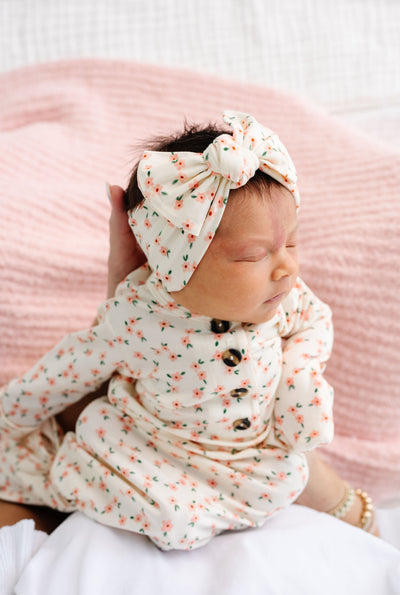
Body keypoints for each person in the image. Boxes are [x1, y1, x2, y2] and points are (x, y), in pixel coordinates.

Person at [0, 111, 377, 549]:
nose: (287, 267)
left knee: (290, 473)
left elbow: (315, 323)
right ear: (176, 262)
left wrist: (300, 376)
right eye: (253, 256)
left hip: (253, 461)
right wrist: (10, 417)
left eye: (291, 242)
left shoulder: (286, 301)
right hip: (159, 450)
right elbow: (66, 369)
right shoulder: (138, 319)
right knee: (169, 520)